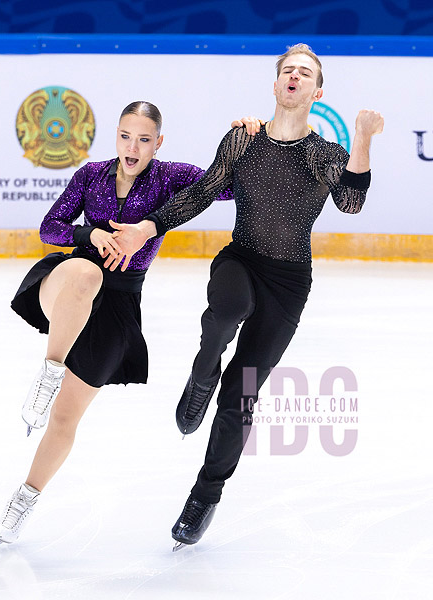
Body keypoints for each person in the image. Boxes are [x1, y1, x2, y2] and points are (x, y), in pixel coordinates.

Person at [104, 44, 384, 550]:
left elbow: (351, 201)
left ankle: (204, 496)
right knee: (227, 308)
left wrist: (362, 139)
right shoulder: (242, 138)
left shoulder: (324, 153)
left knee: (242, 395)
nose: (295, 77)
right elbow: (203, 190)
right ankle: (201, 372)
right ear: (276, 85)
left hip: (289, 283)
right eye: (287, 71)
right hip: (240, 259)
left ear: (316, 92)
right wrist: (151, 225)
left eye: (305, 73)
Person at [0, 101, 259, 548]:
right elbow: (50, 227)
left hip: (118, 308)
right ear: (115, 135)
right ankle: (49, 370)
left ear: (158, 142)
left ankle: (24, 500)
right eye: (125, 136)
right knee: (87, 272)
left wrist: (246, 139)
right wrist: (89, 235)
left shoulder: (172, 177)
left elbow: (224, 187)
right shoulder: (90, 175)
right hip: (68, 280)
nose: (132, 147)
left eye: (144, 139)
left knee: (64, 419)